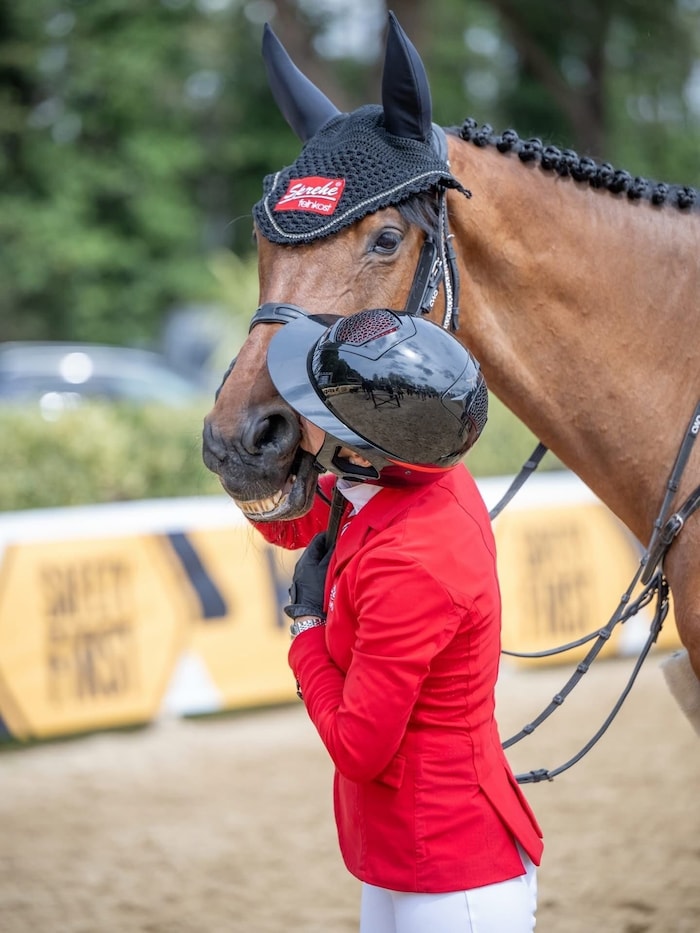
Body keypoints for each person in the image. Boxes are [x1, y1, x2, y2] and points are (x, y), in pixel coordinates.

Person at [249, 307, 543, 933]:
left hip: (451, 866)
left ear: (355, 450)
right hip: (402, 847)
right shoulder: (406, 472)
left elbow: (359, 747)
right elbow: (297, 523)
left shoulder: (410, 560)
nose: (292, 408)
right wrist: (247, 472)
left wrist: (305, 631)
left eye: (310, 407)